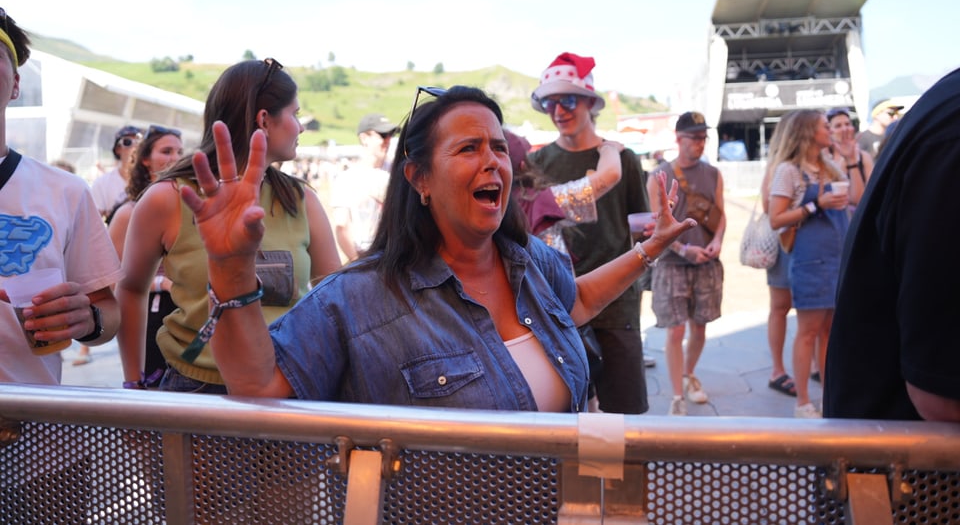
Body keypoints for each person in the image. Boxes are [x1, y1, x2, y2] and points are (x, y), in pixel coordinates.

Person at [178, 85, 695, 410]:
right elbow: (257, 385)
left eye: (497, 146)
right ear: (419, 177)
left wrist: (651, 248)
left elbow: (576, 301)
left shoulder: (527, 260)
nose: (493, 161)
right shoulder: (358, 299)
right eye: (469, 148)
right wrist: (228, 267)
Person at [114, 58, 342, 392]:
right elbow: (131, 288)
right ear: (264, 120)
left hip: (286, 388)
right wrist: (133, 382)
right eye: (295, 114)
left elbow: (333, 298)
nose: (301, 126)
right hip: (196, 392)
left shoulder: (301, 199)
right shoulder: (167, 198)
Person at [825, 68, 960, 422]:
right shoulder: (950, 131)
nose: (842, 130)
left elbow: (858, 193)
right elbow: (939, 396)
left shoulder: (865, 152)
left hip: (860, 241)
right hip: (904, 459)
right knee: (809, 323)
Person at [525, 53, 653, 414]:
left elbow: (638, 222)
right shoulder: (538, 163)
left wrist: (645, 263)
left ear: (589, 104)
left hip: (616, 296)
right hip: (559, 297)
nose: (559, 110)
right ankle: (579, 473)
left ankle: (620, 473)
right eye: (550, 102)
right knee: (568, 406)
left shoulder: (622, 158)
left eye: (568, 100)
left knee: (624, 409)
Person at [0, 6, 122, 385]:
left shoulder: (65, 191)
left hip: (29, 425)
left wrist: (87, 320)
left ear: (16, 83)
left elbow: (107, 310)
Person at [768, 109, 857, 418]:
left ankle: (830, 396)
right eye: (823, 126)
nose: (829, 130)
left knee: (831, 331)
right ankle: (803, 402)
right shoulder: (788, 171)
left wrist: (849, 158)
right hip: (809, 262)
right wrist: (814, 204)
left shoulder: (828, 166)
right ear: (808, 132)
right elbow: (776, 218)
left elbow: (854, 196)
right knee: (808, 331)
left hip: (836, 259)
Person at [647, 112, 726, 416]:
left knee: (701, 325)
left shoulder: (714, 173)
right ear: (679, 138)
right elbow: (656, 226)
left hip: (707, 261)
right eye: (695, 137)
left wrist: (717, 241)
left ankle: (688, 373)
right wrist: (684, 250)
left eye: (703, 137)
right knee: (676, 330)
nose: (700, 143)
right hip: (673, 263)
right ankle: (677, 395)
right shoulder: (659, 176)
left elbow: (720, 215)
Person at [106, 124, 184, 385]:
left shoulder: (190, 207)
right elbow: (113, 280)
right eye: (166, 151)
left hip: (187, 316)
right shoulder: (128, 212)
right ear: (146, 160)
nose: (175, 158)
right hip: (150, 316)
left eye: (179, 151)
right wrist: (162, 283)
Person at [760, 112, 797, 398]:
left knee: (814, 313)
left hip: (803, 247)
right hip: (785, 245)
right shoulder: (777, 167)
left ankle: (808, 367)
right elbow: (767, 208)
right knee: (780, 307)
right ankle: (777, 370)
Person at [331, 113, 398, 261]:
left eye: (390, 135)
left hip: (396, 259)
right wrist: (358, 263)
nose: (388, 140)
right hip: (365, 256)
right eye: (383, 134)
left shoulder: (399, 173)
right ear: (364, 138)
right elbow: (342, 227)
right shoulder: (346, 179)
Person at [91, 124, 143, 219]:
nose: (134, 147)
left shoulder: (152, 181)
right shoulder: (102, 183)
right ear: (118, 149)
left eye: (139, 142)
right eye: (127, 142)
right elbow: (93, 222)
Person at [825, 107, 873, 206]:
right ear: (829, 131)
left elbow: (867, 196)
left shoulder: (863, 157)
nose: (844, 129)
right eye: (838, 126)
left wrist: (851, 160)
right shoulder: (824, 158)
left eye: (847, 124)